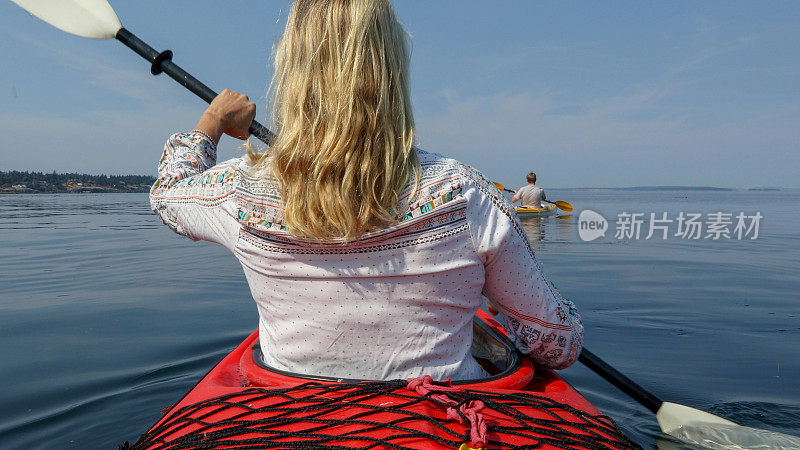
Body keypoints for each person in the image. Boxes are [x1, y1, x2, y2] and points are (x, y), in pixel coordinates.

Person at [150, 0, 582, 381]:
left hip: (292, 410)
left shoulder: (238, 193)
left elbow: (168, 196)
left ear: (290, 70)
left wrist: (213, 119)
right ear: (392, 69)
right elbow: (557, 344)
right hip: (438, 420)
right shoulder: (465, 195)